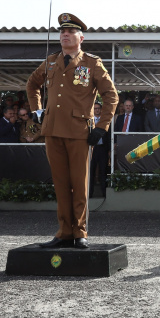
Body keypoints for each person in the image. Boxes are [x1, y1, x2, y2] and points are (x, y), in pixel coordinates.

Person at [26, 12, 118, 249]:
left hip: (79, 131)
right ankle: (64, 231)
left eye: (71, 32)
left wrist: (102, 126)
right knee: (60, 183)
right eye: (62, 32)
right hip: (52, 130)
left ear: (81, 37)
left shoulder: (92, 63)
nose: (65, 35)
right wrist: (37, 110)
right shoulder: (50, 61)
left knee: (79, 183)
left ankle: (80, 232)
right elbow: (32, 84)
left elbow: (111, 96)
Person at [89, 102, 109, 198]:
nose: (97, 110)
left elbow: (108, 136)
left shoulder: (105, 121)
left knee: (103, 171)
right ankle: (90, 193)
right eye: (95, 108)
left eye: (98, 108)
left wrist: (108, 149)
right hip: (92, 148)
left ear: (101, 109)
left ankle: (104, 193)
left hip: (102, 148)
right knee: (91, 171)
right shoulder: (89, 121)